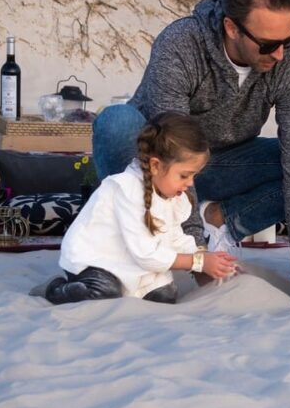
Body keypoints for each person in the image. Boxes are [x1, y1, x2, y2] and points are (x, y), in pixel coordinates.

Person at [92, 0, 290, 306]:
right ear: (232, 28)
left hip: (228, 165)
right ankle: (140, 235)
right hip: (158, 164)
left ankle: (221, 220)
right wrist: (198, 255)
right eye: (269, 44)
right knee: (116, 123)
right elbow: (174, 147)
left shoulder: (289, 65)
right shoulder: (182, 44)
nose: (280, 55)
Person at [44, 113, 239, 305]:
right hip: (98, 261)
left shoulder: (172, 196)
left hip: (132, 262)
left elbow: (174, 237)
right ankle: (58, 290)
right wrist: (197, 263)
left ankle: (127, 289)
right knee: (105, 292)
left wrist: (202, 255)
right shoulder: (127, 189)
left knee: (166, 295)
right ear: (155, 165)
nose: (190, 183)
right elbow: (145, 254)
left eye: (193, 176)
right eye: (184, 176)